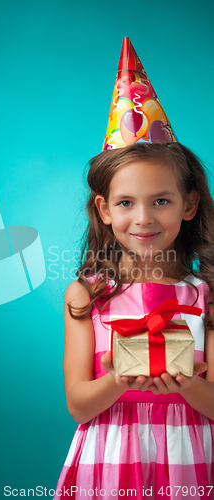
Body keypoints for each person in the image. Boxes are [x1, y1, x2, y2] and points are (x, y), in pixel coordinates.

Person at [54, 142, 214, 500]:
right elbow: (79, 407)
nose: (143, 218)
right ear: (104, 208)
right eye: (126, 202)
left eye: (161, 201)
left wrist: (185, 383)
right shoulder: (86, 296)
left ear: (188, 205)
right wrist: (118, 379)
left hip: (191, 458)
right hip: (111, 460)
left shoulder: (207, 297)